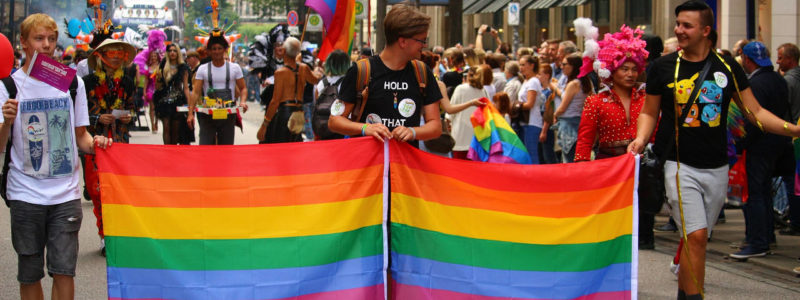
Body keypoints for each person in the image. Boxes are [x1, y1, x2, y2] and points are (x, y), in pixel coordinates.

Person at [627, 2, 800, 299]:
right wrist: (641, 139)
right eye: (678, 23)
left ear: (706, 31)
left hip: (718, 167)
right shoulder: (663, 67)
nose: (679, 30)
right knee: (694, 236)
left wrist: (793, 129)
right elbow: (649, 112)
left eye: (687, 25)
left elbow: (754, 111)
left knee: (698, 240)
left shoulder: (728, 67)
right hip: (679, 165)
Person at [0, 13, 112, 300]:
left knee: (64, 270)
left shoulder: (72, 84)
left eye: (51, 39)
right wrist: (6, 122)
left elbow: (81, 137)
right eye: (39, 39)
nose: (46, 45)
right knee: (30, 272)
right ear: (23, 43)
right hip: (25, 194)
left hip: (65, 195)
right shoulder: (8, 88)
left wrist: (97, 142)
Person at [572, 25, 652, 248]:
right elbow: (585, 139)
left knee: (642, 229)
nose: (630, 74)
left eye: (633, 69)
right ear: (611, 70)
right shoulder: (595, 101)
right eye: (624, 69)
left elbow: (654, 131)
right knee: (610, 225)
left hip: (641, 168)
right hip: (608, 168)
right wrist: (581, 167)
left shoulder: (647, 98)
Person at [328, 3, 442, 146]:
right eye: (422, 40)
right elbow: (334, 121)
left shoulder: (422, 72)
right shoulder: (361, 70)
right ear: (403, 41)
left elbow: (436, 126)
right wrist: (366, 128)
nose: (424, 45)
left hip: (405, 165)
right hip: (369, 164)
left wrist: (413, 132)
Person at [729, 41, 792, 259]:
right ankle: (765, 237)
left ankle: (758, 241)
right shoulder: (777, 79)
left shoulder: (754, 85)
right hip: (777, 144)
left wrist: (739, 144)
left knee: (754, 194)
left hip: (758, 147)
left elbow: (753, 119)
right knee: (763, 193)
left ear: (747, 60)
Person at [188, 30, 249, 145]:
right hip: (207, 115)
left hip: (228, 115)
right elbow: (195, 92)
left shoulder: (234, 68)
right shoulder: (202, 69)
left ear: (225, 49)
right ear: (209, 51)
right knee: (205, 147)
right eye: (214, 49)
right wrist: (190, 113)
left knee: (226, 148)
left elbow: (243, 88)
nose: (217, 52)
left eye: (219, 48)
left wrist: (243, 102)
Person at [258, 37, 321, 143]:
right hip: (299, 112)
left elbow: (275, 101)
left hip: (285, 113)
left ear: (285, 51)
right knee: (295, 146)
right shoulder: (304, 68)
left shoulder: (280, 73)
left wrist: (265, 124)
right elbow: (315, 79)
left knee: (282, 147)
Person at [776, 43, 800, 236]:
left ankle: (796, 219)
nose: (778, 61)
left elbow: (784, 109)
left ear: (790, 59)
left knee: (791, 181)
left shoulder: (787, 82)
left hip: (791, 135)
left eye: (781, 58)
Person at [554, 53, 593, 163]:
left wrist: (555, 114)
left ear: (573, 66)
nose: (562, 66)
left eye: (564, 64)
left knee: (569, 160)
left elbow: (562, 108)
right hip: (580, 123)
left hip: (569, 125)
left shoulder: (573, 84)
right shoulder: (586, 82)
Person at [152, 44, 192, 145]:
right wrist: (158, 78)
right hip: (164, 101)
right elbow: (157, 87)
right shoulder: (162, 66)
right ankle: (167, 150)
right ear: (167, 53)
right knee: (166, 127)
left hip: (178, 101)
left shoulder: (183, 67)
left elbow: (186, 88)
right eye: (170, 51)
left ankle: (172, 151)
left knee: (175, 129)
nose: (172, 53)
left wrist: (190, 105)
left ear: (178, 52)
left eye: (174, 51)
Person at [448, 66, 490, 159]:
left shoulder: (460, 89)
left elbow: (450, 111)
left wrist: (448, 124)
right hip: (478, 137)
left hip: (461, 136)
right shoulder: (483, 91)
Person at [518, 55, 543, 164]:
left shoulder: (533, 81)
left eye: (523, 65)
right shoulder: (526, 81)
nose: (521, 67)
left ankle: (535, 178)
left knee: (531, 154)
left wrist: (515, 106)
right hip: (525, 122)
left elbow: (529, 104)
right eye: (520, 65)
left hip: (532, 122)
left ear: (532, 66)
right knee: (525, 154)